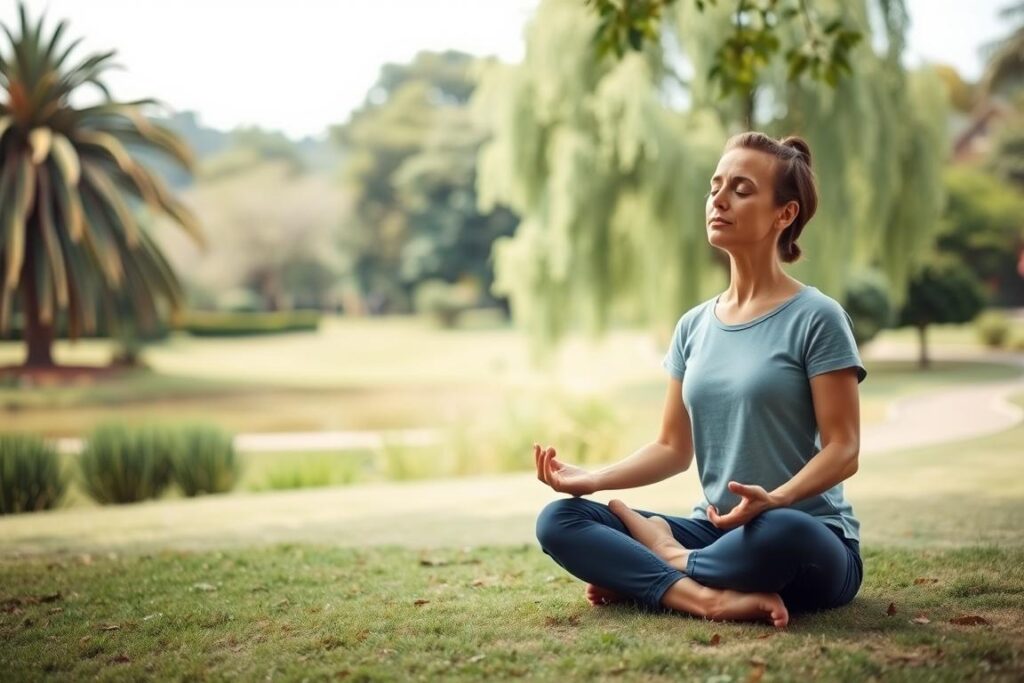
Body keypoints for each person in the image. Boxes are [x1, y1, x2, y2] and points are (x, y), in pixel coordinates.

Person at [533, 132, 866, 628]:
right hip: (716, 534)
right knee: (561, 521)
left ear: (784, 214)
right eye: (715, 187)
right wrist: (594, 478)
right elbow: (672, 447)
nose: (720, 199)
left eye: (741, 189)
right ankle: (705, 598)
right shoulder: (694, 325)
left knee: (781, 534)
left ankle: (666, 567)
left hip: (806, 535)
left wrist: (775, 499)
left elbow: (844, 448)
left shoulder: (818, 317)